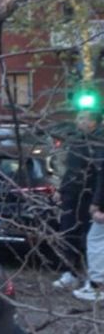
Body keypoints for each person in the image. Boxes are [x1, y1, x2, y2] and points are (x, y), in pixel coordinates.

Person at [53, 111, 102, 290]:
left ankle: (92, 276)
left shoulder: (99, 143)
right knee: (68, 233)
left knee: (89, 238)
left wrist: (97, 202)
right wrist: (61, 190)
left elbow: (100, 175)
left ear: (93, 122)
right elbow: (70, 170)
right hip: (72, 196)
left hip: (89, 197)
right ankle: (70, 272)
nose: (78, 121)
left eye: (83, 118)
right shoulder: (76, 141)